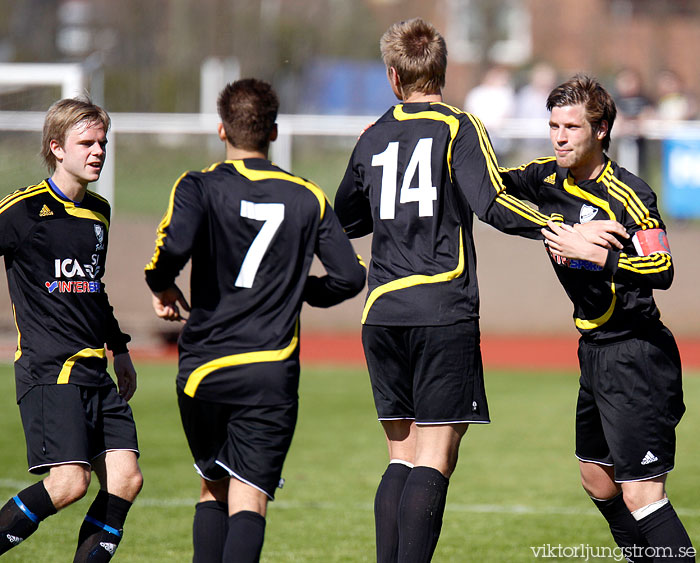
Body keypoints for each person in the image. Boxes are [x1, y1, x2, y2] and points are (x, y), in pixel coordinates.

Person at [334, 18, 561, 563]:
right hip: (441, 307)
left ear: (394, 76)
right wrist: (558, 227)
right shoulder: (459, 126)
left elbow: (343, 217)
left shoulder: (372, 134)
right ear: (443, 70)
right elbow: (495, 203)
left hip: (381, 309)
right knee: (434, 457)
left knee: (401, 456)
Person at [145, 78, 365, 563]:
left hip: (204, 369)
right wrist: (294, 290)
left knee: (212, 488)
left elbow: (172, 248)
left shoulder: (197, 185)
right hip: (270, 370)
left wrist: (159, 283)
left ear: (221, 129)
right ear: (275, 132)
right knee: (251, 497)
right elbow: (350, 277)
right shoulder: (306, 195)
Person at [499, 74, 695, 562]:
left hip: (636, 354)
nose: (560, 136)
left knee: (642, 494)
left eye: (572, 126)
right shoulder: (545, 177)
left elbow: (662, 268)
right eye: (553, 125)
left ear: (602, 129)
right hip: (594, 352)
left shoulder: (629, 194)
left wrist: (593, 255)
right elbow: (489, 184)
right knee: (597, 480)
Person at [0, 97, 143, 560]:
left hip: (94, 370)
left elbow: (92, 290)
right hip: (50, 370)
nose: (98, 151)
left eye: (102, 142)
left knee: (125, 479)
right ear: (56, 147)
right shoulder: (22, 211)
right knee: (68, 484)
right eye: (87, 142)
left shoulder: (99, 211)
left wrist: (118, 349)